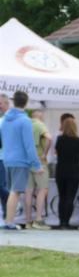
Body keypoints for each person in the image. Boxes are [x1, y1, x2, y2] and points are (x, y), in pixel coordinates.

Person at [0, 91, 42, 230]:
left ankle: (8, 221)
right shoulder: (25, 121)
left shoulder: (5, 120)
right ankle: (9, 222)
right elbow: (29, 145)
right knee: (15, 192)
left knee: (12, 191)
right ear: (26, 103)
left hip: (7, 159)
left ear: (13, 101)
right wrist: (37, 165)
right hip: (20, 160)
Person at [54, 116, 79, 229]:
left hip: (61, 170)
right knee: (70, 197)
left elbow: (56, 152)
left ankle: (61, 221)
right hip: (74, 171)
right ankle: (66, 221)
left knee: (62, 196)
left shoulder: (59, 139)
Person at [24, 110, 52, 229]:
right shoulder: (40, 124)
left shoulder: (25, 125)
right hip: (39, 162)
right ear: (40, 116)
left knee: (28, 191)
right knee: (42, 189)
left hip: (26, 162)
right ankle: (38, 220)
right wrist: (44, 154)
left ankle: (27, 221)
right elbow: (49, 138)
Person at [0, 93, 11, 220]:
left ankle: (9, 213)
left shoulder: (9, 119)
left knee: (2, 186)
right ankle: (6, 214)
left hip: (4, 158)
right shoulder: (2, 119)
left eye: (0, 103)